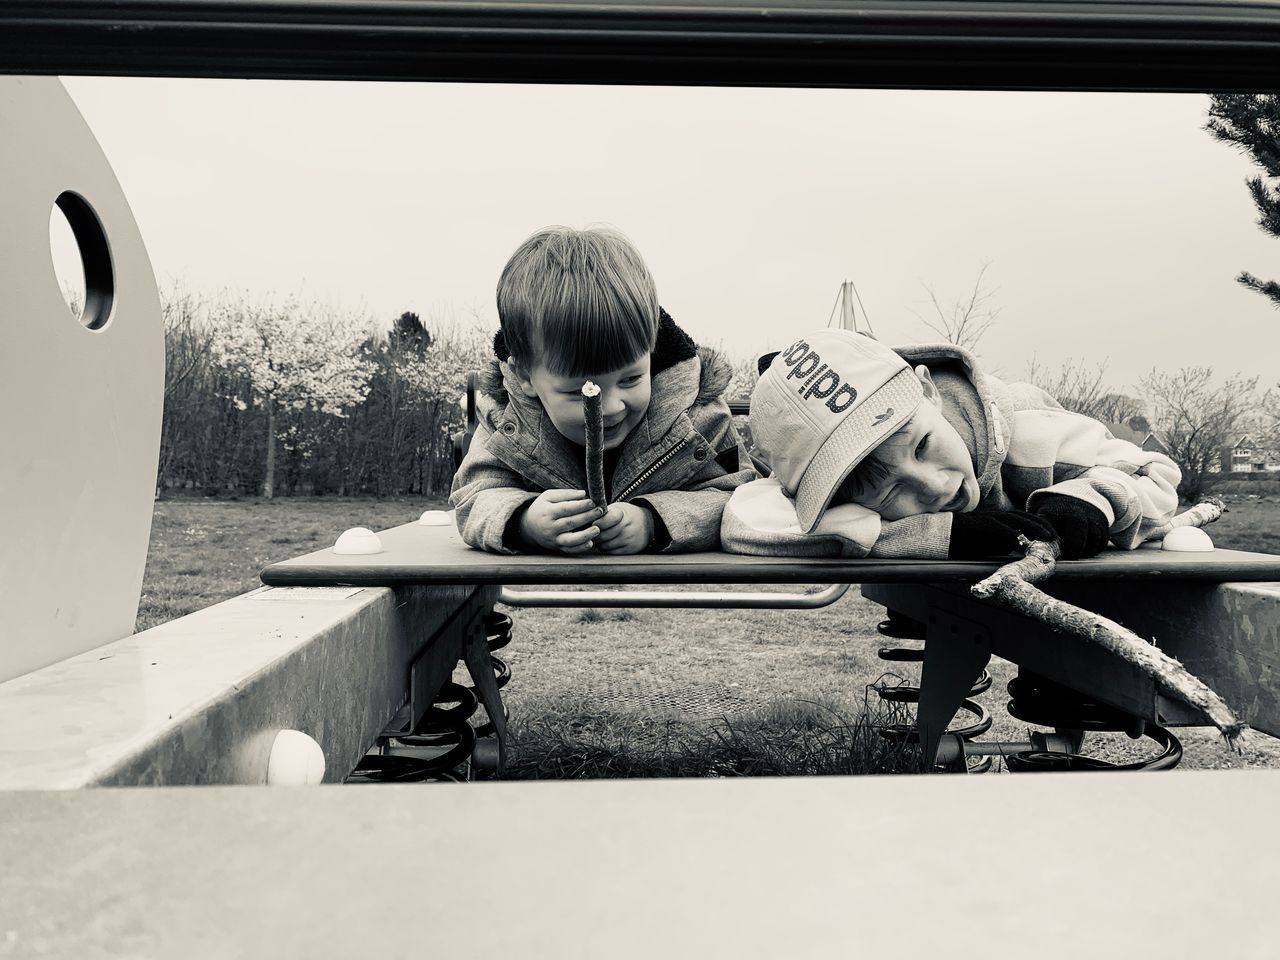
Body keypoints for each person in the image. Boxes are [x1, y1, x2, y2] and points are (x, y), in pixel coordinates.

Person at [721, 328, 1182, 560]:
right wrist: (942, 535)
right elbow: (745, 523)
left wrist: (1086, 500)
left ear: (928, 390)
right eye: (887, 494)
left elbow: (1153, 474)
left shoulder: (1030, 431)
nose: (932, 486)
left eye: (921, 445)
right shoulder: (826, 484)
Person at [450, 225, 756, 555]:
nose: (609, 408)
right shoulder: (507, 417)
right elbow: (474, 497)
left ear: (650, 352)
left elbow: (741, 498)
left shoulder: (698, 413)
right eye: (578, 392)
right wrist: (523, 522)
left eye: (630, 380)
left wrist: (654, 521)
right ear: (526, 377)